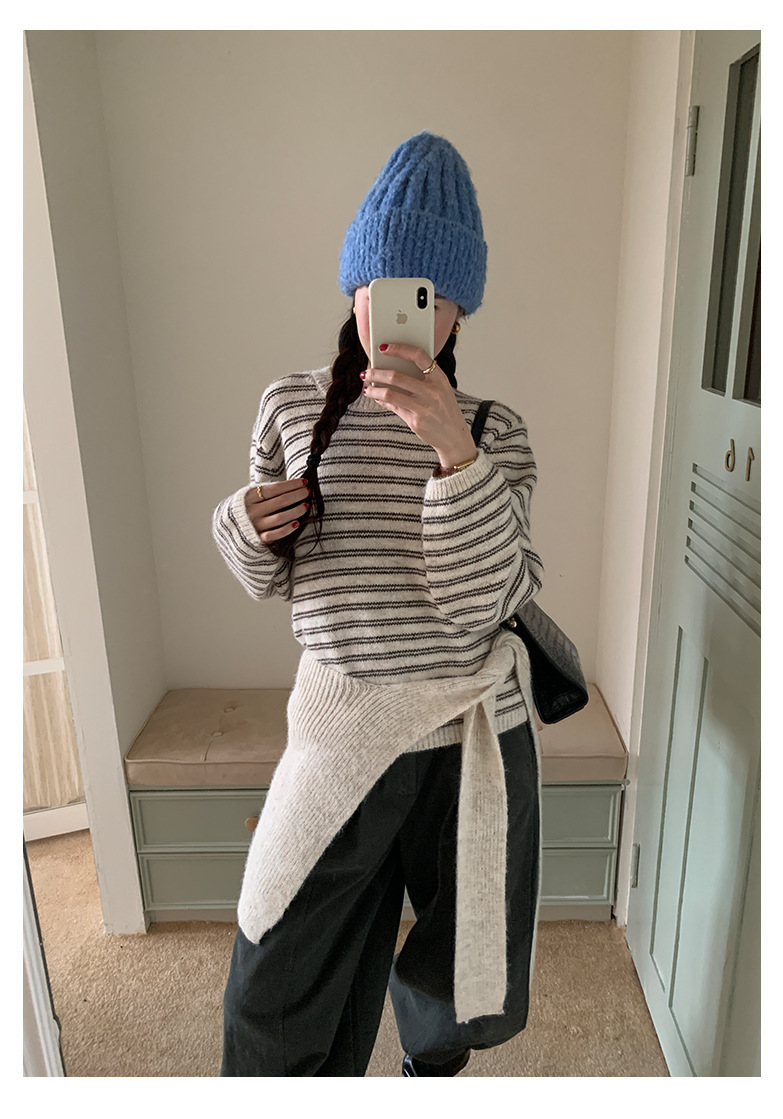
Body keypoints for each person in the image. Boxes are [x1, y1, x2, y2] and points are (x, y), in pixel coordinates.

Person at [212, 131, 545, 1077]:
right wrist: (243, 526)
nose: (401, 310)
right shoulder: (291, 407)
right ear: (354, 286)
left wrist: (456, 457)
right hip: (343, 730)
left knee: (458, 984)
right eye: (384, 286)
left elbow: (483, 603)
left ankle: (423, 1079)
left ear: (458, 309)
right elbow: (270, 579)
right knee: (272, 987)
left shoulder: (493, 430)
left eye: (429, 294)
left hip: (470, 737)